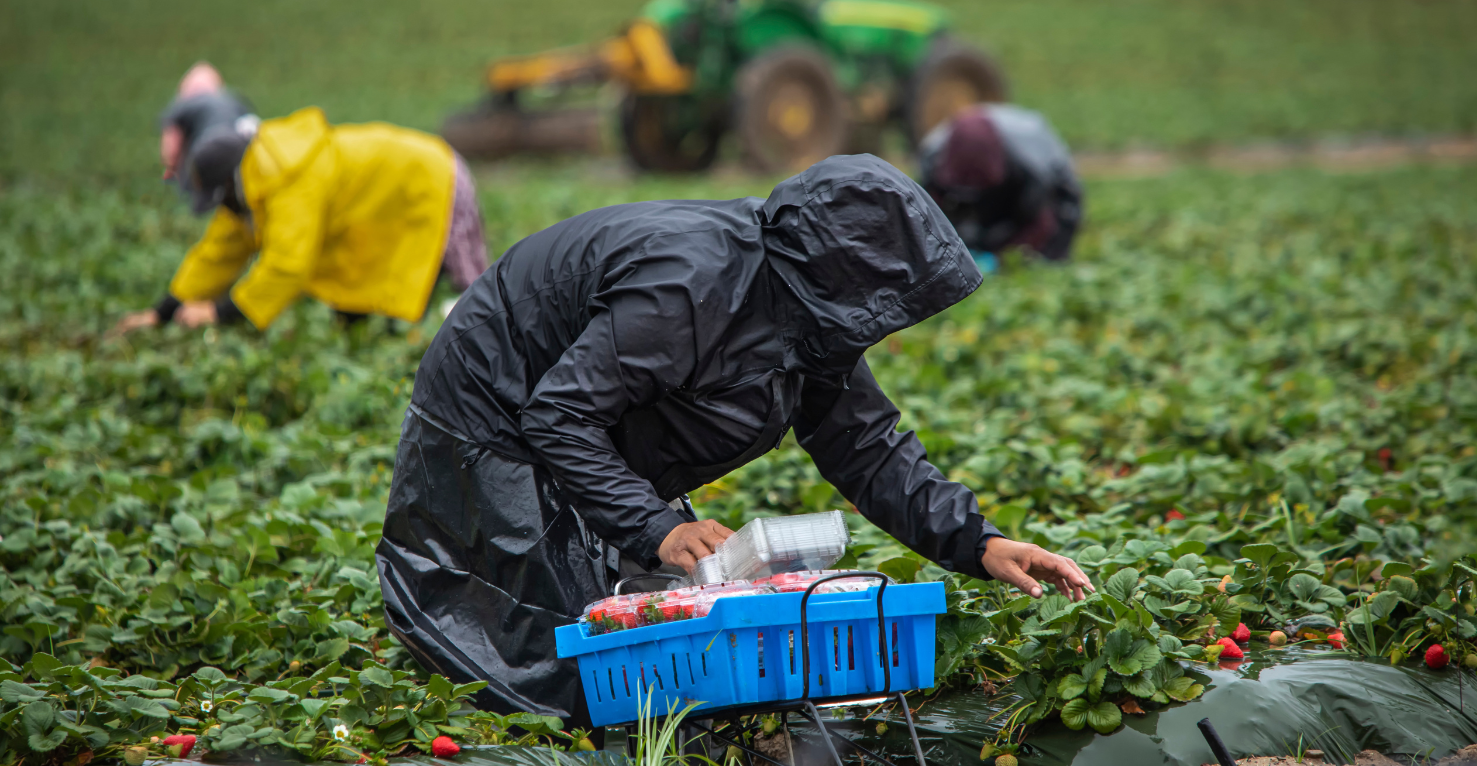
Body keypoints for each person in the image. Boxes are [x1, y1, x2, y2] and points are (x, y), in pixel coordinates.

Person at [377, 154, 1094, 727]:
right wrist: (656, 527)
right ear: (839, 274)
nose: (886, 324)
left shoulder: (811, 317)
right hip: (493, 402)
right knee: (556, 654)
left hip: (592, 412)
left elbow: (865, 445)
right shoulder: (687, 288)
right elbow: (559, 416)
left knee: (642, 610)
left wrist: (979, 543)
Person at [111, 65, 490, 335]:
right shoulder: (250, 183)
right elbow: (219, 251)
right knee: (362, 314)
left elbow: (289, 265)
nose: (220, 210)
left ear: (227, 185)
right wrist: (163, 312)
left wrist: (219, 313)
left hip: (434, 178)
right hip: (384, 200)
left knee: (470, 297)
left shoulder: (290, 178)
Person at [917, 103, 1084, 267]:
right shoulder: (933, 152)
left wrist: (1006, 257)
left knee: (1054, 245)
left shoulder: (1031, 155)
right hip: (986, 174)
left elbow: (1042, 220)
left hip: (1035, 174)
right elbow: (928, 214)